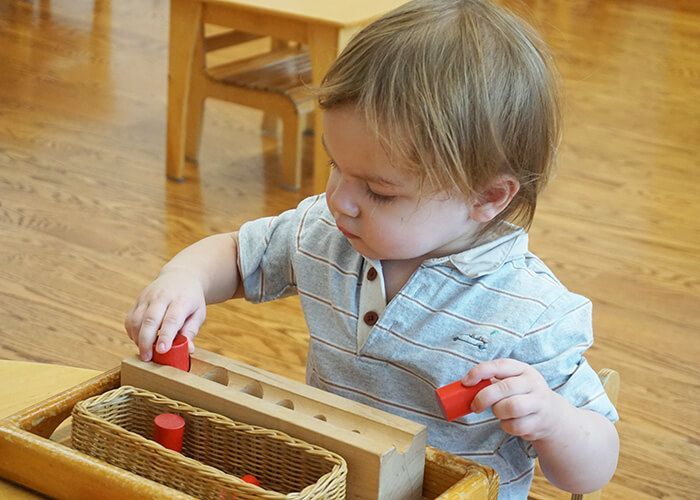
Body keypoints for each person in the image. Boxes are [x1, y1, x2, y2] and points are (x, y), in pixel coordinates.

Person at [125, 0, 619, 497]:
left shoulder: (531, 313)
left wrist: (553, 421)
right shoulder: (325, 231)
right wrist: (183, 278)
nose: (339, 198)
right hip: (335, 481)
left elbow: (592, 469)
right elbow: (236, 255)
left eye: (379, 191)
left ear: (487, 196)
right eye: (335, 164)